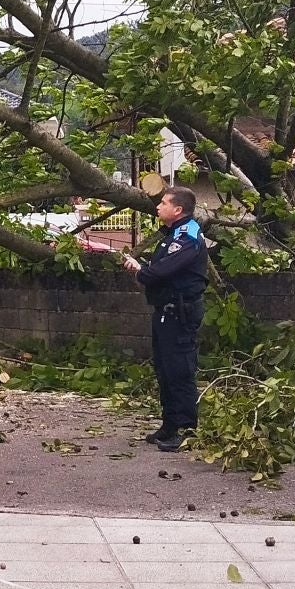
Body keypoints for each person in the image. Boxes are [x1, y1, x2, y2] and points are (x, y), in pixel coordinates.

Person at [121, 186, 208, 453]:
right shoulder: (171, 234)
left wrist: (140, 270)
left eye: (163, 203)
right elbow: (158, 271)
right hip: (165, 311)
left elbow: (158, 272)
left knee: (179, 370)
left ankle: (185, 428)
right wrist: (144, 271)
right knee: (164, 369)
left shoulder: (187, 237)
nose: (158, 207)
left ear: (178, 209)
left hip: (179, 313)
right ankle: (169, 424)